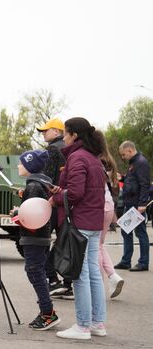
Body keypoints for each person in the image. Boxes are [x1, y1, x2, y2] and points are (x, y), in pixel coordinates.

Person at [50, 117, 106, 340]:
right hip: (93, 222)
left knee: (80, 274)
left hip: (80, 223)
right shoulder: (93, 158)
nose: (63, 137)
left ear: (74, 135)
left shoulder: (76, 157)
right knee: (93, 273)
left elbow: (75, 193)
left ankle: (83, 326)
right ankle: (98, 324)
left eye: (65, 133)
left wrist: (56, 196)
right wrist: (62, 190)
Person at [15, 149, 60, 331]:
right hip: (40, 236)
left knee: (34, 272)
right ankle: (46, 311)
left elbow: (33, 215)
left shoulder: (33, 186)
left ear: (30, 166)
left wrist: (18, 214)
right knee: (37, 271)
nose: (19, 165)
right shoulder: (40, 184)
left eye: (22, 163)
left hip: (33, 236)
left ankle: (48, 313)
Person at [37, 118, 73, 299]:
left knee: (42, 241)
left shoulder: (52, 149)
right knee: (65, 241)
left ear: (57, 132)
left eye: (46, 130)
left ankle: (52, 279)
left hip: (53, 202)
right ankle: (67, 284)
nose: (43, 133)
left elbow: (47, 178)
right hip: (68, 202)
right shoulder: (69, 150)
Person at [114, 141, 151, 272]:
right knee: (126, 231)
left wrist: (142, 204)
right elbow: (133, 181)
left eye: (124, 155)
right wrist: (123, 178)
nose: (123, 157)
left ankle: (143, 262)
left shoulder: (141, 162)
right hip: (129, 203)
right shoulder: (134, 163)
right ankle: (126, 261)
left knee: (140, 232)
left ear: (130, 151)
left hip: (136, 204)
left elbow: (144, 184)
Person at [97, 132, 124, 298]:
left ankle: (98, 284)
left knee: (94, 246)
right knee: (99, 244)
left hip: (98, 205)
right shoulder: (110, 161)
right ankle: (113, 276)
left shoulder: (97, 160)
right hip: (109, 205)